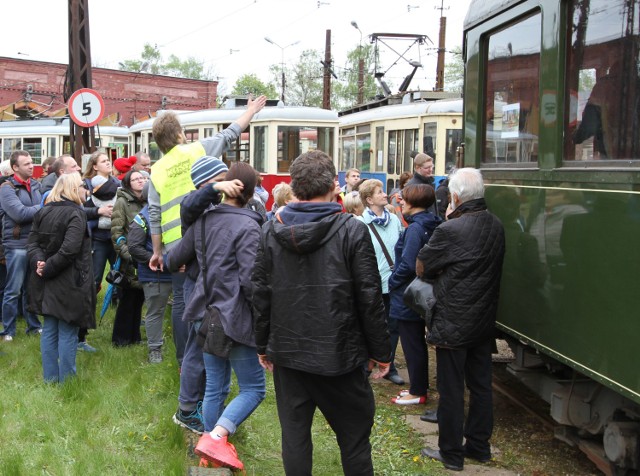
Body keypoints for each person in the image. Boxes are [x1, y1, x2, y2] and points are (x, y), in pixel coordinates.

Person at [252, 150, 392, 476]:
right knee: (354, 439)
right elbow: (369, 298)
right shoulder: (350, 230)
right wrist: (380, 351)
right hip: (338, 354)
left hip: (294, 352)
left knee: (296, 436)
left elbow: (261, 294)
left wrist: (263, 344)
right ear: (334, 185)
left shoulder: (272, 231)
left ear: (294, 186)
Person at [147, 96, 266, 382]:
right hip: (205, 235)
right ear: (179, 134)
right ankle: (207, 360)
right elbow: (230, 133)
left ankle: (183, 361)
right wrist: (250, 111)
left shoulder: (156, 169)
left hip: (176, 244)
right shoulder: (197, 150)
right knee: (208, 298)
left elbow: (153, 212)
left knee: (182, 303)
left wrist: (157, 250)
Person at [167, 162, 265, 471]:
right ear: (249, 192)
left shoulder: (205, 220)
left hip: (204, 312)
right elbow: (251, 281)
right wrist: (265, 320)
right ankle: (217, 437)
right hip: (233, 318)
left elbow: (172, 259)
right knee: (254, 389)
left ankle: (209, 450)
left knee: (215, 388)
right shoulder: (249, 226)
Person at [417, 168, 505, 472]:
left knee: (451, 389)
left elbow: (422, 267)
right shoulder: (495, 225)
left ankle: (451, 453)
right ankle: (479, 447)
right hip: (482, 319)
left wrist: (448, 220)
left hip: (453, 320)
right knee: (481, 386)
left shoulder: (450, 230)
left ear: (454, 197)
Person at [171, 156, 245, 432]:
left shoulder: (217, 206)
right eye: (221, 178)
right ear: (206, 183)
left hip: (213, 285)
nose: (228, 184)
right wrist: (216, 188)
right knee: (197, 346)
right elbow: (191, 203)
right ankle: (187, 409)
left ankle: (205, 402)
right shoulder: (194, 204)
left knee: (212, 346)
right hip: (198, 285)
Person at [27, 173, 95, 382]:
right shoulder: (76, 213)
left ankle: (50, 379)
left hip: (47, 278)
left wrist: (41, 263)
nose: (87, 190)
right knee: (66, 329)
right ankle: (67, 381)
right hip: (68, 279)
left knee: (50, 328)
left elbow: (33, 244)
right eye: (84, 186)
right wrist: (44, 266)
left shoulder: (43, 211)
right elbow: (69, 250)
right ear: (74, 189)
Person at [388, 184, 441, 405]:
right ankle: (418, 387)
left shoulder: (415, 229)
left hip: (408, 293)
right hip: (424, 290)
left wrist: (392, 281)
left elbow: (409, 264)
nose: (400, 202)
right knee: (417, 342)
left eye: (404, 199)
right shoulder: (434, 224)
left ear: (413, 202)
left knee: (411, 343)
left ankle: (417, 391)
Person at [357, 179, 405, 386]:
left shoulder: (394, 220)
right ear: (369, 199)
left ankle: (389, 365)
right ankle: (366, 366)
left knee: (393, 327)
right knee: (370, 326)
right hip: (372, 285)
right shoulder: (360, 223)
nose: (385, 195)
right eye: (380, 192)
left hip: (393, 284)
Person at [0, 150, 43, 341]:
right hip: (15, 245)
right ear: (15, 167)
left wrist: (35, 210)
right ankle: (8, 331)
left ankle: (33, 326)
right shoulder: (6, 188)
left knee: (31, 288)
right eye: (26, 164)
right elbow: (19, 214)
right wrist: (41, 207)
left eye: (31, 162)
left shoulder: (35, 185)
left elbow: (31, 212)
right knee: (13, 290)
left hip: (34, 243)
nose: (31, 166)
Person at [128, 182, 172, 363]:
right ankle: (155, 350)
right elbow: (134, 247)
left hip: (176, 271)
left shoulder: (171, 213)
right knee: (155, 312)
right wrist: (156, 259)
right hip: (155, 275)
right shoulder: (142, 219)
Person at [110, 170, 147, 346]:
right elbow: (116, 233)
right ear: (128, 183)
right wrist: (129, 256)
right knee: (127, 299)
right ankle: (121, 339)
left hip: (145, 257)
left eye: (142, 178)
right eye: (136, 179)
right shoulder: (122, 202)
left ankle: (135, 337)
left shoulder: (149, 200)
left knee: (139, 298)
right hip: (129, 260)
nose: (140, 181)